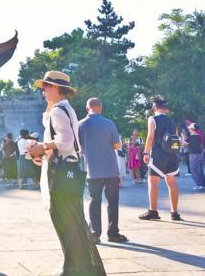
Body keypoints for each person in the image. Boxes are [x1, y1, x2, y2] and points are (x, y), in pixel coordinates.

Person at [27, 71, 106, 276]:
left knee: (64, 220)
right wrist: (43, 152)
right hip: (69, 169)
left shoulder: (58, 111)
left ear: (55, 87)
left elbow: (65, 141)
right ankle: (79, 266)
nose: (43, 91)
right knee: (73, 220)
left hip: (61, 173)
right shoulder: (65, 108)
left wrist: (42, 147)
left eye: (46, 87)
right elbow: (63, 139)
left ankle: (73, 267)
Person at [78, 98, 127, 244]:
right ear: (100, 107)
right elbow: (117, 146)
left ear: (87, 108)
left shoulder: (80, 124)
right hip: (110, 169)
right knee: (113, 202)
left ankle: (94, 234)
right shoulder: (109, 123)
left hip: (92, 170)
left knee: (94, 201)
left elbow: (78, 148)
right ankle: (113, 234)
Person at [139, 97, 181, 221]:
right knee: (172, 183)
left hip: (158, 153)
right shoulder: (172, 121)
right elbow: (177, 137)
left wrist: (146, 152)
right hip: (172, 154)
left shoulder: (152, 119)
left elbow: (150, 136)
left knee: (153, 182)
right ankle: (174, 213)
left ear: (154, 108)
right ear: (166, 109)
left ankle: (153, 211)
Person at [186, 123, 205, 190]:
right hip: (200, 154)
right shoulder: (199, 136)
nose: (188, 130)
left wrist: (183, 138)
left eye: (189, 129)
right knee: (200, 170)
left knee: (194, 170)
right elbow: (201, 145)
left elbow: (185, 144)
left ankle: (199, 184)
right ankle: (203, 184)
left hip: (193, 155)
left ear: (192, 129)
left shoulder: (191, 137)